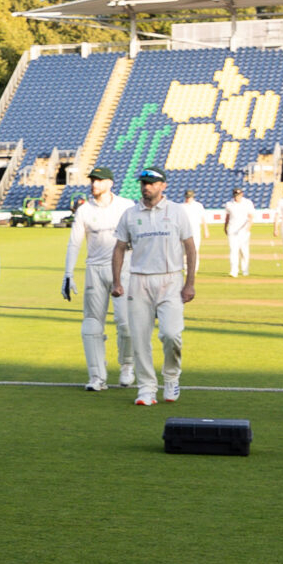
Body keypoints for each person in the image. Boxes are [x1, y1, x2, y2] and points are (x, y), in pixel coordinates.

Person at [111, 166, 198, 406]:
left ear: (163, 186)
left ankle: (171, 377)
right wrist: (117, 281)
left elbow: (190, 247)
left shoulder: (177, 212)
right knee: (139, 338)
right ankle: (147, 388)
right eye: (143, 183)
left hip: (170, 280)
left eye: (151, 183)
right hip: (138, 280)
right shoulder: (130, 214)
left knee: (171, 335)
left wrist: (189, 283)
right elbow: (119, 248)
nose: (146, 187)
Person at [60, 167, 134, 392]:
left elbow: (139, 238)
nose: (94, 184)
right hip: (95, 269)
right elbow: (74, 243)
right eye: (92, 180)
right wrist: (68, 274)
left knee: (126, 322)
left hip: (124, 269)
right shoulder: (84, 210)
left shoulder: (127, 206)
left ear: (110, 183)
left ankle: (128, 365)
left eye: (99, 181)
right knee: (91, 324)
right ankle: (97, 376)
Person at [224, 188, 257, 277]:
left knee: (244, 250)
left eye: (238, 195)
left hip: (243, 230)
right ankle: (233, 270)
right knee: (233, 250)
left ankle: (245, 269)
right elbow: (227, 217)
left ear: (242, 194)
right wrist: (225, 227)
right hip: (232, 229)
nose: (237, 197)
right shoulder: (229, 204)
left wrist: (249, 227)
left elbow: (251, 216)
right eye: (235, 195)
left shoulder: (247, 203)